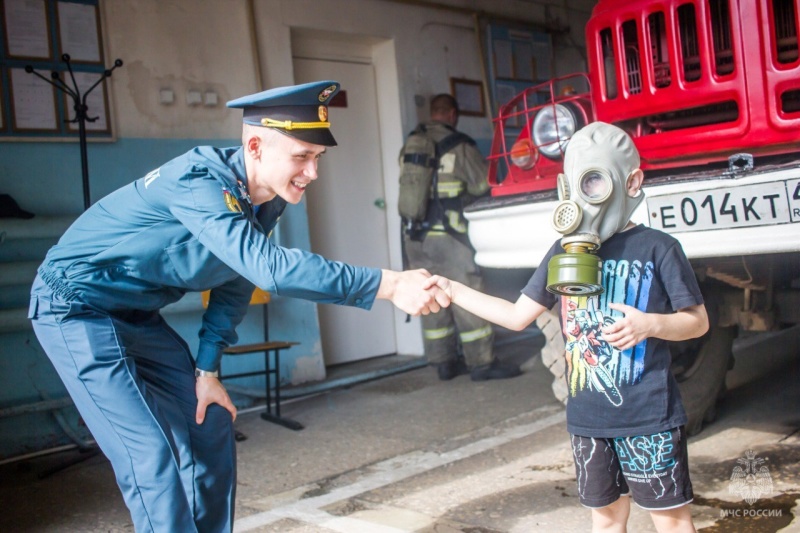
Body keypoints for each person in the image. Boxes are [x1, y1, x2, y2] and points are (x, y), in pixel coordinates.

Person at [28, 80, 449, 533]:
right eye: (301, 157)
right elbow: (268, 268)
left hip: (136, 317)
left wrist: (207, 372)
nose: (312, 172)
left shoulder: (262, 201)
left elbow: (236, 283)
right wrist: (386, 283)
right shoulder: (199, 182)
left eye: (317, 158)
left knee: (209, 424)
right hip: (74, 309)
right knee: (152, 453)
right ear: (255, 145)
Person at [427, 122, 708, 532]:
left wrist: (651, 324)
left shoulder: (658, 247)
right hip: (588, 420)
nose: (589, 197)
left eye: (597, 183)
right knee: (608, 520)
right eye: (581, 185)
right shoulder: (563, 250)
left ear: (631, 181)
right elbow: (516, 315)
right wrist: (452, 288)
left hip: (649, 417)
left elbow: (697, 322)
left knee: (671, 522)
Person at [398, 93, 520, 381]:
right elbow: (482, 184)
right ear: (452, 114)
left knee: (430, 298)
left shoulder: (411, 145)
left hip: (414, 238)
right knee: (468, 297)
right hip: (450, 237)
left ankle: (443, 362)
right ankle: (482, 364)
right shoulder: (460, 145)